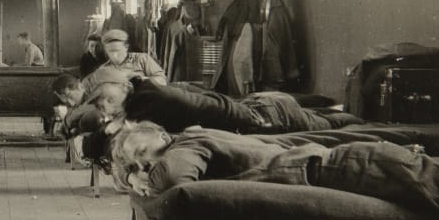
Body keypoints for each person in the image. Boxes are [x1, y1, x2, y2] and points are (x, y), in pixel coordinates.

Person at [109, 120, 439, 220]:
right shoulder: (192, 136)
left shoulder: (185, 146)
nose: (146, 165)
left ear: (161, 134)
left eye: (143, 153)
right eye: (139, 163)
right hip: (340, 167)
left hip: (344, 167)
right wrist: (132, 177)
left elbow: (175, 181)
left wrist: (139, 182)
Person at [90, 78, 363, 134]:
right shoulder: (147, 87)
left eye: (109, 100)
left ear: (126, 89)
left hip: (263, 116)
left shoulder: (150, 103)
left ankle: (370, 122)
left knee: (332, 126)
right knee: (327, 117)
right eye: (103, 105)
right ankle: (349, 113)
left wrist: (114, 125)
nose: (108, 107)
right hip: (259, 105)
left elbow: (139, 123)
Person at [80, 29, 165, 89]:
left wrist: (141, 80)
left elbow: (162, 81)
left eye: (117, 51)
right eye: (110, 51)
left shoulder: (142, 59)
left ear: (126, 47)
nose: (114, 55)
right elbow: (85, 85)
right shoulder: (103, 69)